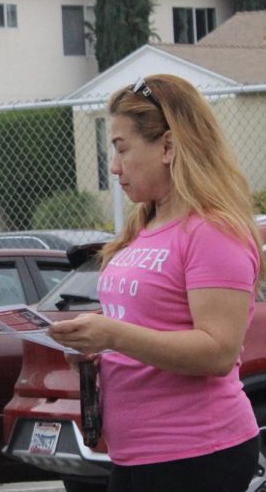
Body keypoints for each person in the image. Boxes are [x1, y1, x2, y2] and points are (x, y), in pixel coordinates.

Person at [48, 74, 262, 492]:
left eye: (121, 148)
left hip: (198, 453)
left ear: (167, 146)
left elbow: (218, 351)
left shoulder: (212, 231)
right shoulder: (145, 226)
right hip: (136, 455)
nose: (114, 166)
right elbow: (146, 328)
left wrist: (112, 334)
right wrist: (95, 346)